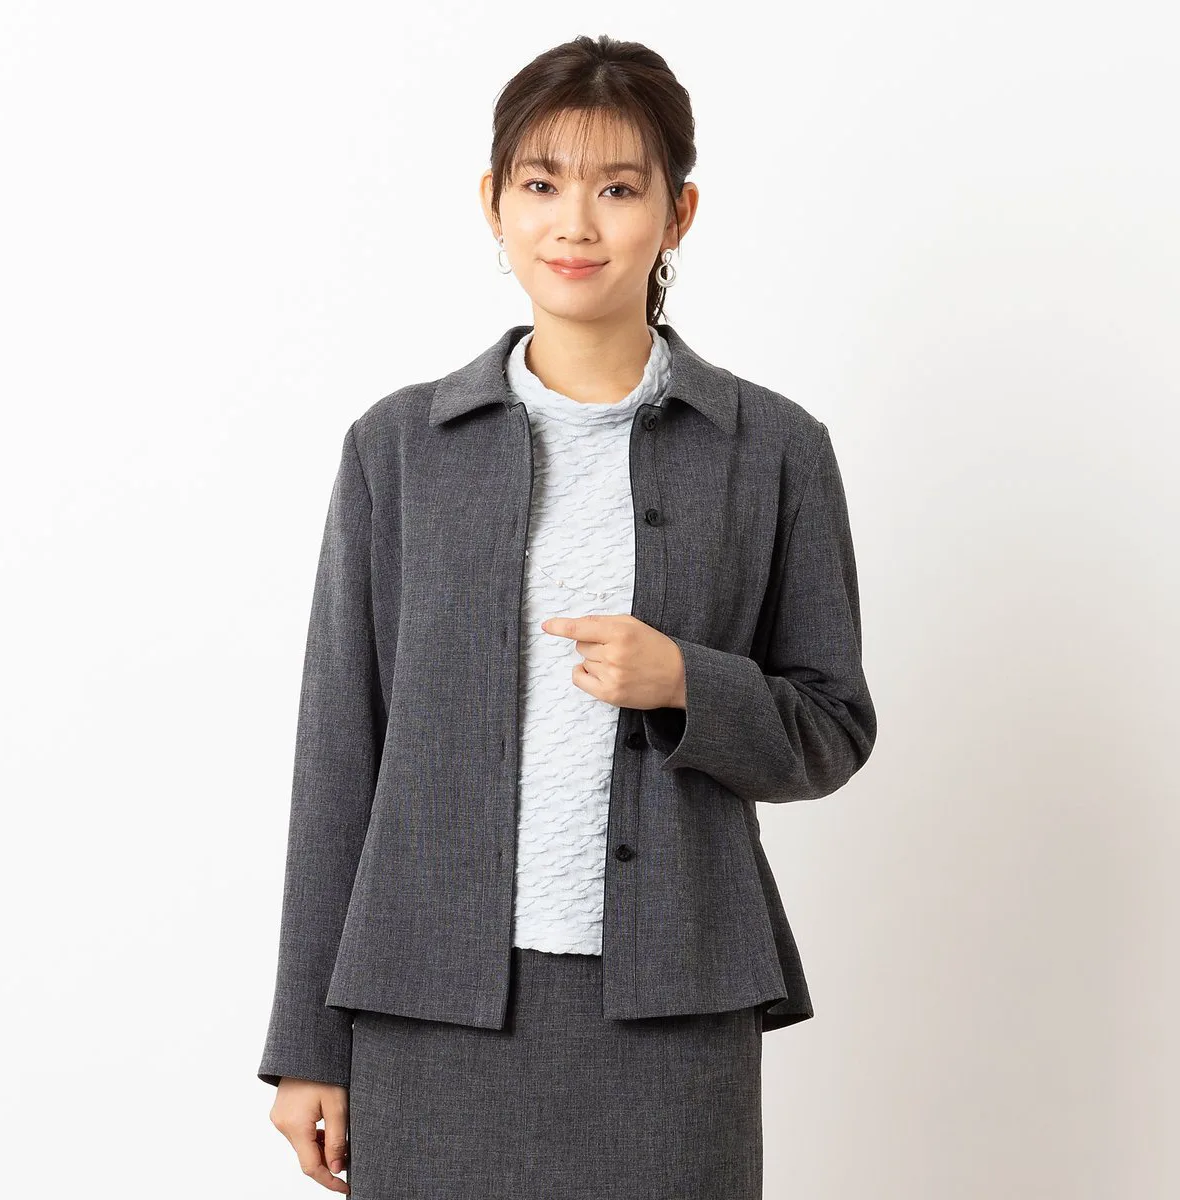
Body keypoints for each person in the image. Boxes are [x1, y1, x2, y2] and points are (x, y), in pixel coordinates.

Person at [259, 33, 877, 1200]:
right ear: (493, 204)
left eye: (619, 189)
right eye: (541, 184)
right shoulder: (398, 449)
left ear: (678, 214)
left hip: (672, 1008)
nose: (575, 224)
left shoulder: (775, 450)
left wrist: (689, 683)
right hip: (429, 1010)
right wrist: (307, 1042)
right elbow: (340, 753)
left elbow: (833, 727)